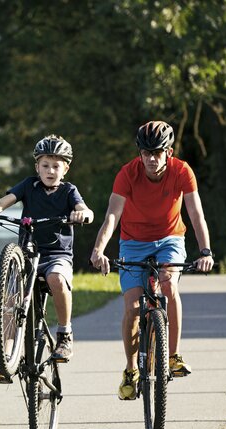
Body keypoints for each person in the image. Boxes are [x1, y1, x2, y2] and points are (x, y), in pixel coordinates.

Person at [90, 120, 214, 400]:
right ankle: (131, 371)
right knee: (133, 307)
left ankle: (173, 356)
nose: (151, 159)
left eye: (157, 152)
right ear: (140, 153)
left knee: (169, 287)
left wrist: (205, 251)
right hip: (132, 243)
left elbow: (196, 214)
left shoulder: (182, 171)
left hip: (170, 238)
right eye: (146, 153)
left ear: (169, 151)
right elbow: (112, 215)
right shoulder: (127, 174)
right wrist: (99, 250)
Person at [0, 134, 94, 378]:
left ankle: (65, 334)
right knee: (9, 298)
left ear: (65, 168)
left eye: (56, 166)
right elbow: (3, 202)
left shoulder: (69, 191)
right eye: (45, 165)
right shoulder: (29, 185)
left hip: (57, 254)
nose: (50, 170)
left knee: (57, 279)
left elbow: (82, 208)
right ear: (37, 166)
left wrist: (83, 214)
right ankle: (6, 359)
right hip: (28, 254)